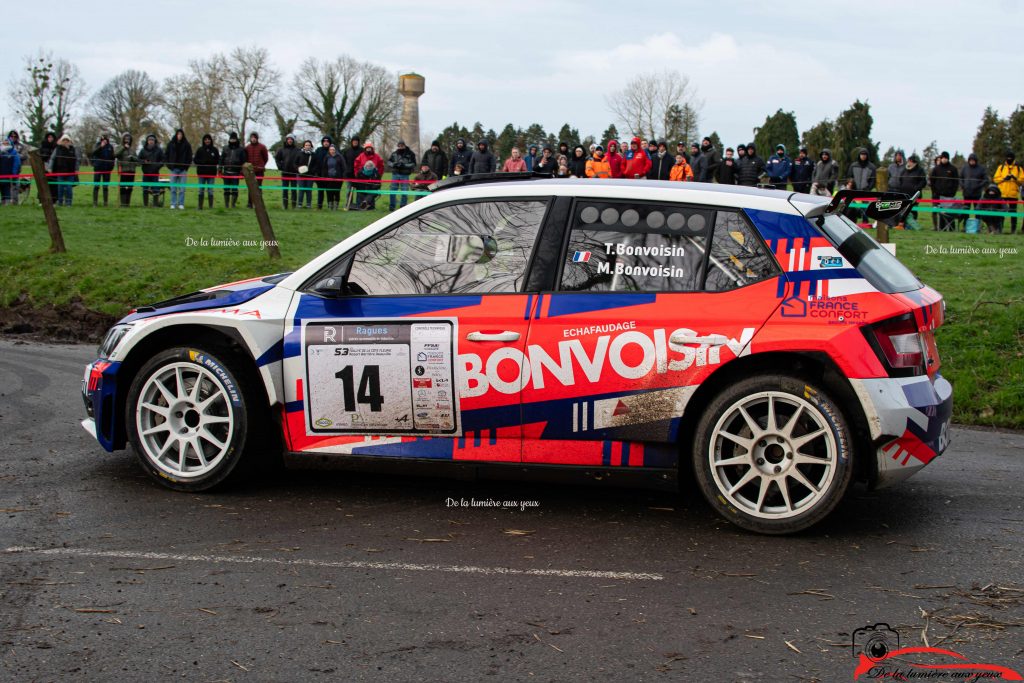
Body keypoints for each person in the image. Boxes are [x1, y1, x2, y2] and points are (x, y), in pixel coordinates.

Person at [993, 151, 1023, 233]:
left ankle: (1013, 230)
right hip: (1002, 194)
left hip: (1013, 195)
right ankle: (1000, 229)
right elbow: (995, 179)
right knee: (1001, 212)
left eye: (1011, 157)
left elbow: (1021, 181)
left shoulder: (1018, 168)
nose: (1009, 159)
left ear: (1013, 158)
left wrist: (1015, 178)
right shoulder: (1001, 167)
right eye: (1007, 157)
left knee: (1013, 213)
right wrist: (1004, 179)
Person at [929, 151, 959, 231]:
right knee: (941, 212)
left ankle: (952, 229)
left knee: (950, 212)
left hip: (950, 196)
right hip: (938, 195)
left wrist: (953, 192)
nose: (944, 159)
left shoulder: (953, 169)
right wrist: (935, 192)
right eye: (943, 158)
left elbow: (956, 182)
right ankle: (942, 228)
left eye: (946, 158)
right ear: (941, 158)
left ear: (948, 159)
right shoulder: (936, 169)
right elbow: (932, 181)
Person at [48, 134, 79, 206]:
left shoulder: (73, 149)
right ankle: (60, 202)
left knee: (69, 188)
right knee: (60, 187)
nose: (65, 142)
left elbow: (76, 160)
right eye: (64, 140)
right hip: (60, 171)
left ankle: (69, 202)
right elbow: (52, 158)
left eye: (67, 140)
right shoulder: (57, 149)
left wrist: (76, 169)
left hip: (70, 172)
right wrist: (50, 168)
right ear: (61, 141)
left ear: (69, 141)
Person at [164, 129, 192, 210]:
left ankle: (181, 204)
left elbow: (190, 157)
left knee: (182, 188)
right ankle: (173, 203)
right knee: (173, 188)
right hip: (173, 169)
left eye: (181, 134)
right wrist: (169, 166)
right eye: (178, 134)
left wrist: (186, 167)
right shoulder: (171, 144)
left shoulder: (187, 145)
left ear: (183, 135)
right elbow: (166, 155)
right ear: (176, 135)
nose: (179, 135)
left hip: (183, 170)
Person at [960, 153, 988, 228]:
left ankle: (978, 226)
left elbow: (985, 179)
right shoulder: (964, 168)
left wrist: (979, 186)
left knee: (977, 210)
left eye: (973, 160)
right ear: (968, 160)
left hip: (977, 194)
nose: (972, 162)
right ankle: (965, 225)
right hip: (966, 193)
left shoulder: (981, 169)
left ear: (976, 161)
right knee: (966, 210)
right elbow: (960, 178)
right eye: (970, 160)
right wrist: (963, 186)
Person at [387, 140, 416, 211]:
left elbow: (413, 164)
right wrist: (393, 164)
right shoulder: (394, 154)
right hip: (395, 174)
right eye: (399, 146)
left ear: (404, 145)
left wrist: (404, 165)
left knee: (404, 191)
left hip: (405, 174)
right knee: (392, 191)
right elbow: (389, 162)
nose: (400, 147)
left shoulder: (410, 154)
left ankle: (403, 207)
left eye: (402, 146)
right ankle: (392, 206)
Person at [275, 134, 303, 209]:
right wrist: (280, 167)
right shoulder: (281, 150)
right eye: (288, 139)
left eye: (291, 139)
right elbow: (277, 159)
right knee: (285, 190)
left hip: (294, 173)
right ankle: (285, 204)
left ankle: (294, 205)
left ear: (293, 140)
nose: (290, 140)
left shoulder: (297, 150)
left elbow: (300, 160)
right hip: (285, 173)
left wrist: (298, 168)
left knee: (294, 190)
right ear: (286, 140)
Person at [193, 133, 220, 210]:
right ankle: (200, 206)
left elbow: (218, 160)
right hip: (201, 173)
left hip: (211, 174)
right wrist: (202, 162)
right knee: (201, 190)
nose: (207, 141)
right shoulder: (200, 150)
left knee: (210, 190)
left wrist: (211, 162)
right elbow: (195, 160)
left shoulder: (215, 150)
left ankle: (211, 206)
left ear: (211, 140)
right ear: (203, 141)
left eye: (208, 139)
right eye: (205, 139)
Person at [353, 142, 384, 209]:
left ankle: (367, 204)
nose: (368, 149)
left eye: (370, 148)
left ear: (372, 148)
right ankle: (362, 205)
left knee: (372, 192)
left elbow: (381, 166)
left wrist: (379, 175)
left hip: (373, 178)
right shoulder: (361, 156)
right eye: (367, 148)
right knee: (361, 191)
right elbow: (356, 165)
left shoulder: (377, 156)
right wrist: (357, 173)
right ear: (365, 149)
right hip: (362, 177)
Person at [219, 132, 245, 208]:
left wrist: (242, 172)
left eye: (234, 139)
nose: (232, 140)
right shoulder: (225, 148)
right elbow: (221, 159)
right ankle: (226, 204)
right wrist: (220, 169)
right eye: (231, 138)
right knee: (226, 189)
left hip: (236, 173)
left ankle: (233, 204)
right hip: (226, 172)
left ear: (236, 139)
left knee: (234, 189)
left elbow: (243, 161)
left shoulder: (241, 149)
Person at [138, 133, 164, 207]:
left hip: (155, 173)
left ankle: (155, 205)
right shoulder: (143, 150)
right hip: (146, 173)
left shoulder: (159, 150)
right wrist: (144, 161)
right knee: (145, 189)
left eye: (152, 140)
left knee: (156, 189)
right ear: (147, 141)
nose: (151, 141)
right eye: (149, 140)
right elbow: (138, 159)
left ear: (155, 141)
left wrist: (157, 166)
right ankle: (145, 205)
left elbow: (163, 160)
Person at [90, 134, 115, 206]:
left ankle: (105, 203)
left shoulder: (110, 147)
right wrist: (101, 147)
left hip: (107, 169)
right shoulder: (97, 145)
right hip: (98, 168)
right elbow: (93, 153)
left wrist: (111, 166)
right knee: (96, 186)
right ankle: (95, 202)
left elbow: (112, 157)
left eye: (106, 138)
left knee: (105, 187)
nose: (105, 139)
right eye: (103, 138)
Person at [245, 132, 268, 208]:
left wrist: (261, 166)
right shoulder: (247, 148)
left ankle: (258, 204)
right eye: (252, 137)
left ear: (257, 138)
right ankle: (250, 203)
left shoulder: (262, 147)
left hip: (259, 171)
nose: (253, 139)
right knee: (251, 188)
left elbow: (265, 158)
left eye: (254, 137)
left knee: (258, 188)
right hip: (250, 171)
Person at [115, 133, 138, 207]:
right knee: (123, 187)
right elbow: (116, 155)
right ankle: (123, 204)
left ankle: (128, 204)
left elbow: (137, 160)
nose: (127, 140)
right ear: (123, 139)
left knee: (130, 188)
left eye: (128, 139)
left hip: (132, 170)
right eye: (126, 139)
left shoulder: (132, 150)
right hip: (123, 170)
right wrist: (123, 148)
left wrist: (133, 158)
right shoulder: (119, 147)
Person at [321, 144, 345, 210]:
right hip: (328, 178)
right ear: (329, 150)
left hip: (338, 178)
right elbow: (324, 168)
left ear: (335, 150)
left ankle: (336, 206)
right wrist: (324, 176)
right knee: (329, 192)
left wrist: (342, 177)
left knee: (337, 192)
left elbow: (343, 167)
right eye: (331, 150)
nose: (332, 151)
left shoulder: (340, 157)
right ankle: (330, 205)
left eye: (333, 150)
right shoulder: (326, 157)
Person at [0, 133, 21, 205]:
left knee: (7, 186)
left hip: (8, 173)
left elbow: (16, 164)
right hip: (1, 173)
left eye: (7, 143)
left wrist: (14, 173)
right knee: (2, 186)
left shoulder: (14, 152)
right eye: (4, 142)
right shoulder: (1, 152)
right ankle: (3, 200)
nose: (5, 144)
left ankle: (8, 200)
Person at [342, 135, 362, 208]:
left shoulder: (362, 151)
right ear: (351, 142)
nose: (355, 142)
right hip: (349, 174)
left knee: (359, 191)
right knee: (349, 191)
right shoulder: (347, 151)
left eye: (356, 141)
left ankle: (358, 205)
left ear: (358, 142)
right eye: (354, 141)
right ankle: (348, 204)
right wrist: (345, 172)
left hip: (359, 175)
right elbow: (344, 162)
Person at [296, 140, 315, 209]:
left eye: (309, 145)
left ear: (311, 146)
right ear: (304, 146)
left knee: (308, 190)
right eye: (306, 145)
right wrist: (298, 169)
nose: (307, 146)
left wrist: (311, 171)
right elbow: (295, 163)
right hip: (300, 175)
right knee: (301, 190)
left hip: (310, 176)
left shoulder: (313, 155)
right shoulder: (299, 154)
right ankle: (299, 204)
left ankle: (308, 204)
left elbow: (316, 165)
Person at [40, 131, 58, 200]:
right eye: (49, 137)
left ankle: (53, 199)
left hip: (54, 167)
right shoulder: (43, 146)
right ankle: (42, 199)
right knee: (43, 183)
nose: (50, 138)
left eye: (52, 137)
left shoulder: (56, 147)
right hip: (44, 166)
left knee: (53, 184)